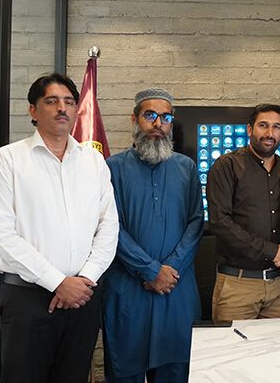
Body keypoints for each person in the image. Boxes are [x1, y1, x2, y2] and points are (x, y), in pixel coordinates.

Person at [0, 73, 119, 383]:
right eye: (51, 101)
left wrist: (84, 279)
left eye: (69, 102)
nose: (62, 109)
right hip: (27, 302)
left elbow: (109, 227)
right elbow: (1, 237)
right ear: (33, 110)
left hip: (83, 300)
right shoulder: (7, 161)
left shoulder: (93, 162)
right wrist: (58, 282)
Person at [102, 88, 204, 382]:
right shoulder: (112, 168)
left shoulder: (186, 168)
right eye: (150, 115)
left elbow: (196, 221)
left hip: (176, 287)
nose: (158, 123)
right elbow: (110, 227)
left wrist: (170, 268)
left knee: (176, 369)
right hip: (128, 290)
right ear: (135, 119)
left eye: (166, 117)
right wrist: (150, 269)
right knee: (125, 370)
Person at [206, 104, 280, 320]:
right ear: (250, 129)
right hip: (238, 286)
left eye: (276, 127)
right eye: (263, 126)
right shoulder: (226, 166)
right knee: (234, 353)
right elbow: (220, 222)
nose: (270, 133)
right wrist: (273, 251)